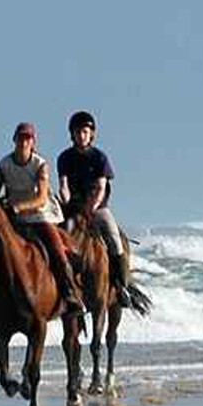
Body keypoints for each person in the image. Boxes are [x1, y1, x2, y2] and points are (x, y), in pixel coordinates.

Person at [0, 122, 84, 317]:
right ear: (14, 140)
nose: (24, 142)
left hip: (40, 215)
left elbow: (41, 198)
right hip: (14, 218)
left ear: (33, 142)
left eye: (28, 138)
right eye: (21, 138)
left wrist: (18, 207)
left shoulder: (40, 164)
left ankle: (70, 295)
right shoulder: (4, 165)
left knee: (58, 252)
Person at [57, 111, 132, 308]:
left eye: (85, 132)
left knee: (115, 241)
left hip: (97, 208)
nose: (81, 135)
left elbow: (100, 188)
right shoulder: (64, 157)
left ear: (91, 134)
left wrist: (92, 208)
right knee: (56, 237)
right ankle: (60, 286)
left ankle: (121, 286)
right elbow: (63, 184)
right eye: (77, 132)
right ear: (72, 135)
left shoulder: (100, 158)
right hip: (73, 207)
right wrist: (65, 201)